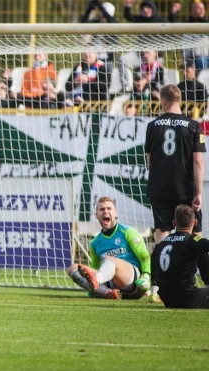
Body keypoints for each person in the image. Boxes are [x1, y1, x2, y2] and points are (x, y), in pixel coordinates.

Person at [145, 84, 209, 301]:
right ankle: (200, 279)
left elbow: (149, 161)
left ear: (163, 101)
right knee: (195, 234)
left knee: (161, 234)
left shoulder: (153, 125)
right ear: (179, 100)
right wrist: (199, 192)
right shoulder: (193, 125)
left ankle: (156, 288)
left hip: (160, 187)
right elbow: (198, 161)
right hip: (185, 189)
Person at [67, 196, 151, 300]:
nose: (105, 211)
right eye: (101, 209)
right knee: (73, 268)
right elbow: (96, 268)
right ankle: (107, 293)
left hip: (133, 283)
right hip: (111, 284)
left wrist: (146, 276)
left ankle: (95, 287)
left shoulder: (128, 232)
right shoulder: (94, 242)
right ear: (96, 215)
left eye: (109, 208)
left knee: (110, 260)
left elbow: (145, 256)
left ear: (116, 213)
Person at [151, 204, 209, 308]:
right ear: (195, 222)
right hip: (188, 298)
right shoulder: (191, 240)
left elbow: (154, 262)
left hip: (167, 299)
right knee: (200, 247)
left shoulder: (163, 242)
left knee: (199, 247)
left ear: (174, 222)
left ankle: (153, 291)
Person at [169, 1, 208, 70]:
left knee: (201, 71)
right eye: (198, 8)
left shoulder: (206, 24)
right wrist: (173, 12)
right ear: (192, 10)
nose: (201, 10)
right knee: (188, 75)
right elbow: (174, 25)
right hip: (187, 57)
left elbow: (204, 21)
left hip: (202, 56)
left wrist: (202, 18)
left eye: (203, 8)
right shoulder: (187, 23)